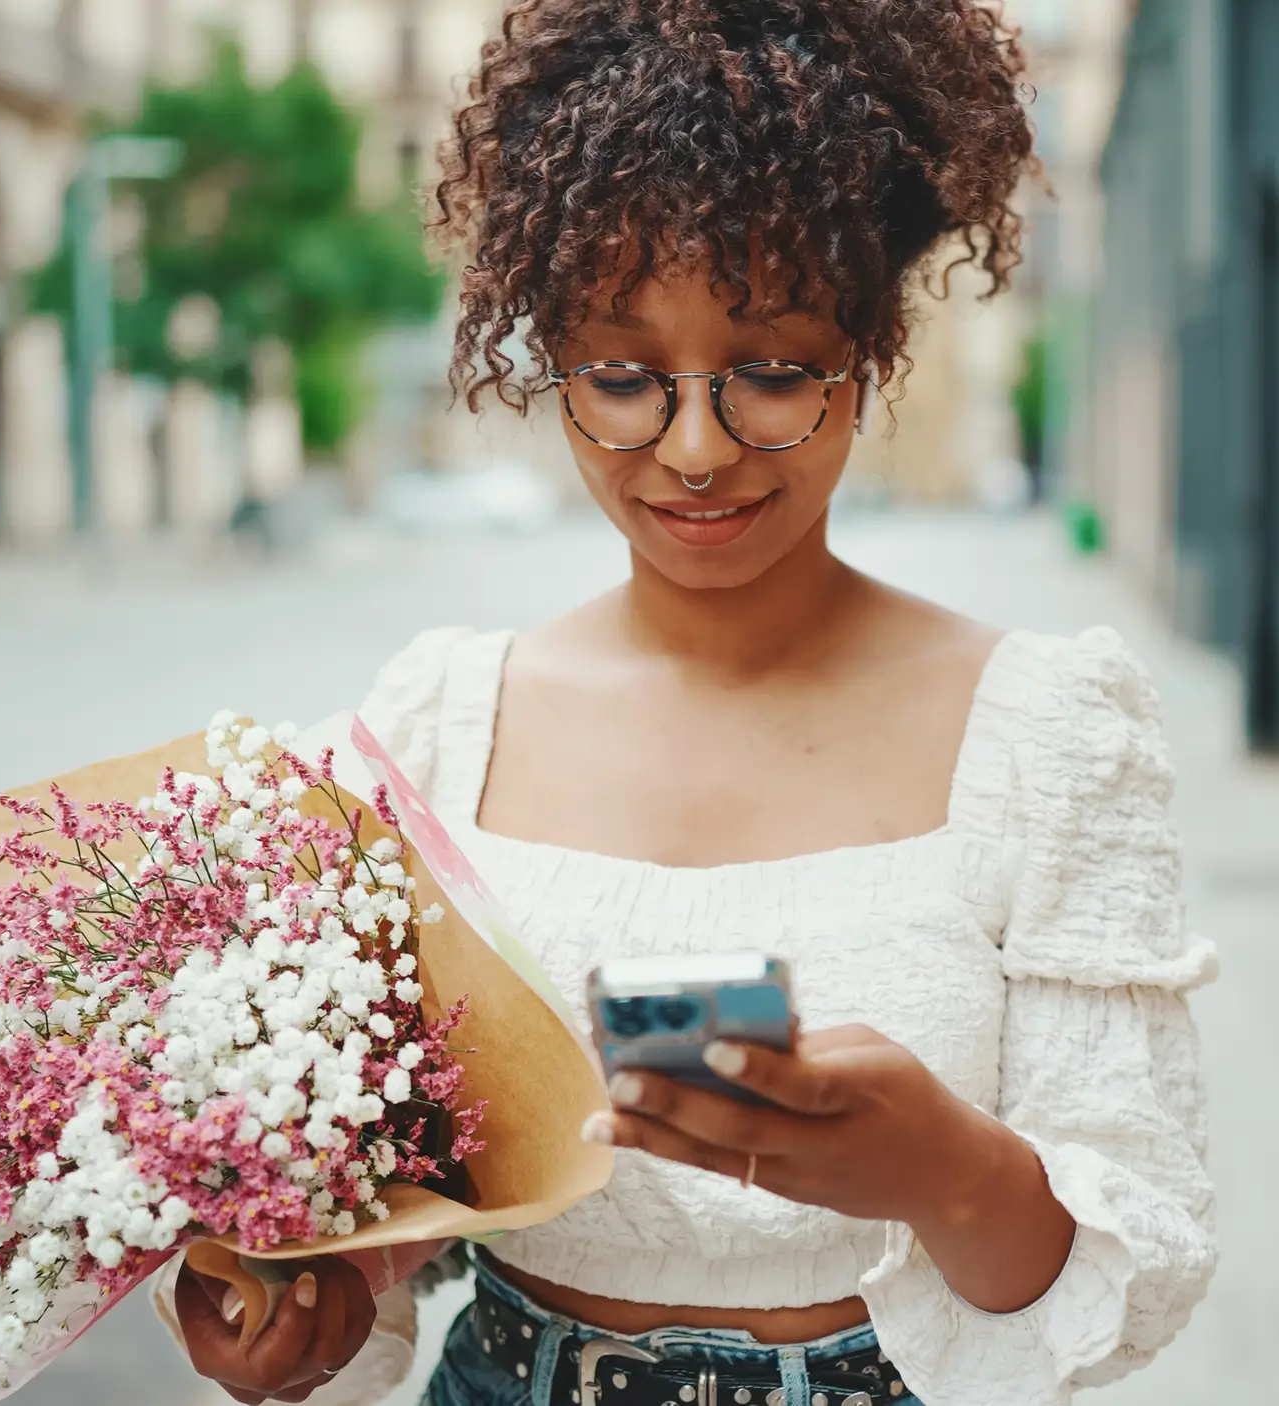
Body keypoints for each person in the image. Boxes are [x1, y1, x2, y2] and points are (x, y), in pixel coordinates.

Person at [156, 0, 1218, 1400]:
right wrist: (314, 1299)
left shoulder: (1047, 735)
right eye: (622, 377)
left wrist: (940, 1168)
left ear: (872, 347)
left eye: (772, 370)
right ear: (551, 362)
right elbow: (385, 1200)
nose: (698, 449)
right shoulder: (439, 725)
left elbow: (1130, 1263)